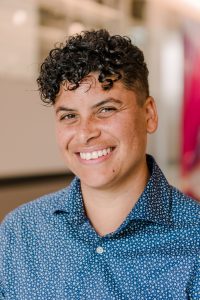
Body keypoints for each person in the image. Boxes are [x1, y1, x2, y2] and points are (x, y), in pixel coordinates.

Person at [0, 29, 200, 300]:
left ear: (149, 115)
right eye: (70, 115)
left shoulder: (194, 238)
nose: (85, 133)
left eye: (106, 109)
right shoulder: (18, 234)